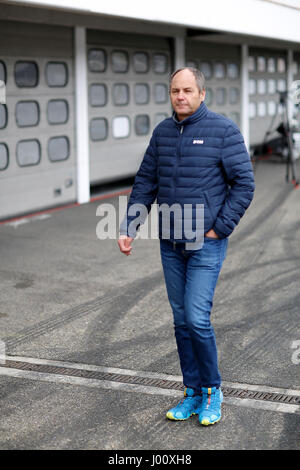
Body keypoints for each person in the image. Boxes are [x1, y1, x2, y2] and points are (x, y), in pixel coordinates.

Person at [118, 67, 255, 426]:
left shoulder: (222, 131)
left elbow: (244, 184)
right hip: (171, 244)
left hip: (205, 244)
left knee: (196, 319)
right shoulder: (163, 132)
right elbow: (146, 181)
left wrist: (219, 228)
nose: (181, 96)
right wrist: (130, 224)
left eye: (188, 90)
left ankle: (212, 391)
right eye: (175, 90)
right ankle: (192, 393)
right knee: (181, 323)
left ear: (202, 94)